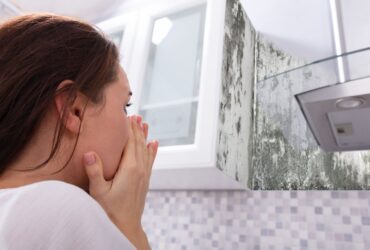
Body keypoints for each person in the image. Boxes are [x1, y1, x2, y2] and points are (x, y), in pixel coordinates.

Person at [0, 13, 158, 250]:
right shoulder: (61, 208)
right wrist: (128, 226)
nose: (134, 123)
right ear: (74, 110)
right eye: (124, 106)